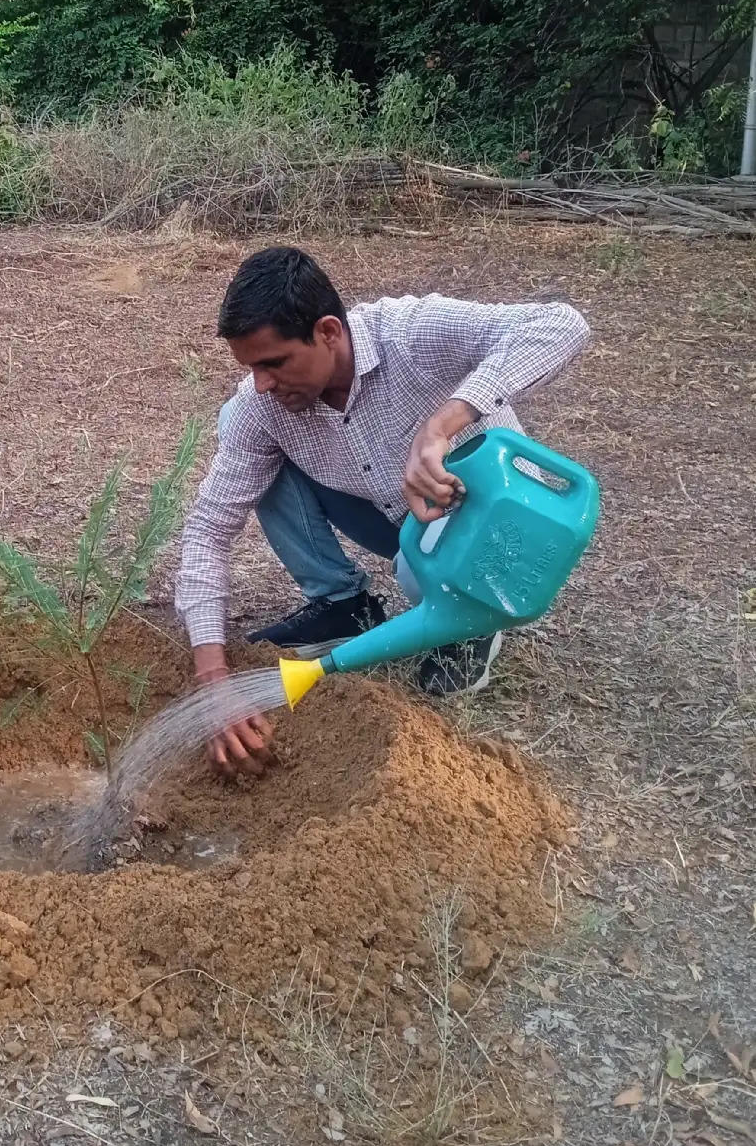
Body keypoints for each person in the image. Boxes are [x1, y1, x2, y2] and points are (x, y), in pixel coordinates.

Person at [175, 246, 590, 774]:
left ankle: (472, 620)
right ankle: (344, 605)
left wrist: (442, 425)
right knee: (263, 466)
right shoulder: (260, 409)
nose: (262, 384)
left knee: (423, 571)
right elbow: (209, 529)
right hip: (398, 521)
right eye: (252, 368)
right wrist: (213, 679)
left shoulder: (409, 333)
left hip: (491, 524)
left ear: (328, 331)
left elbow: (561, 323)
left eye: (274, 363)